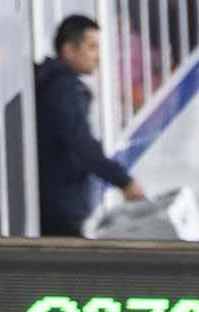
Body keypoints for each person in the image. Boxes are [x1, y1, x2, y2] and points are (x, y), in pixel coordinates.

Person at [34, 12, 135, 225]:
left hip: (51, 199)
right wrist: (124, 181)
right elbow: (81, 144)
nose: (97, 56)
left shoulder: (50, 82)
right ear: (69, 50)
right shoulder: (64, 90)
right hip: (60, 203)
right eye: (92, 47)